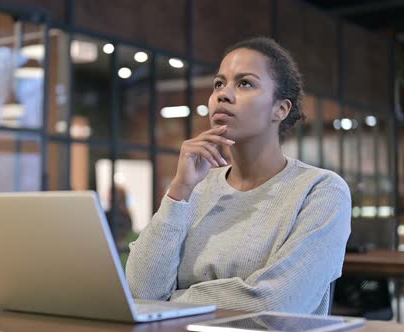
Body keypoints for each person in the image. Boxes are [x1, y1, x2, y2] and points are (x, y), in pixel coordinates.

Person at [125, 37, 351, 315]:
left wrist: (172, 302)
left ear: (281, 109)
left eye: (245, 83)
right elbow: (140, 293)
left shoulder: (320, 190)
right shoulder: (195, 189)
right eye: (219, 83)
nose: (223, 94)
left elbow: (275, 305)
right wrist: (179, 190)